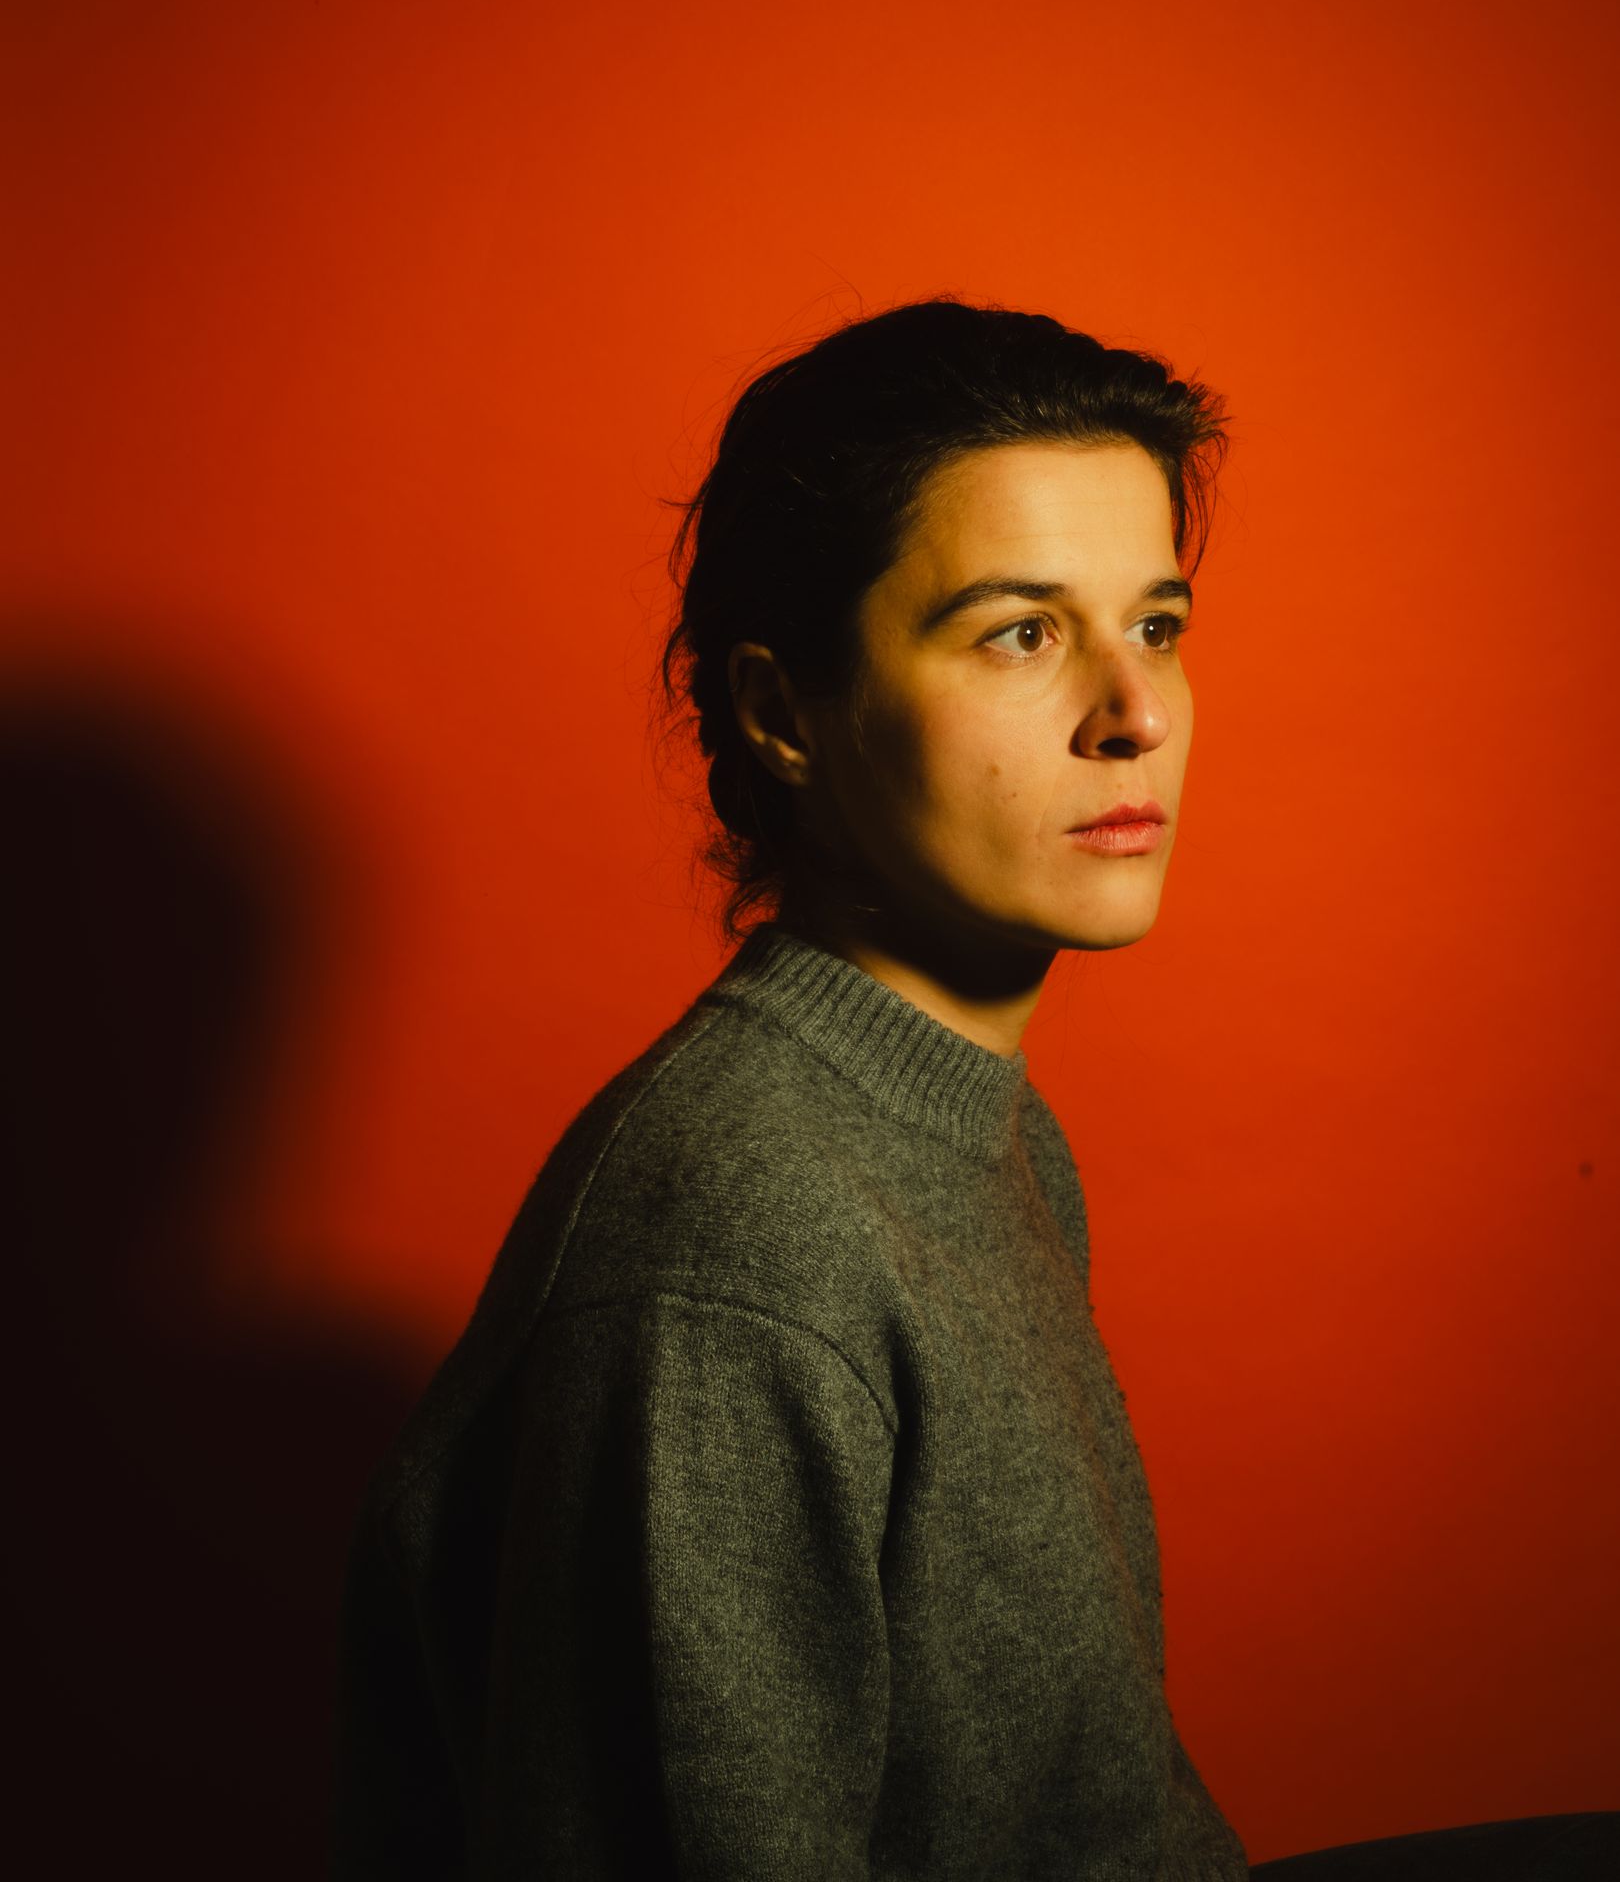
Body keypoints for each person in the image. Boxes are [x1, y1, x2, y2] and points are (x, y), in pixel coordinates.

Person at [331, 299, 1617, 1878]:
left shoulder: (958, 1115)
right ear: (781, 715)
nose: (1136, 715)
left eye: (1158, 626)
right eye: (1021, 633)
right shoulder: (739, 1244)